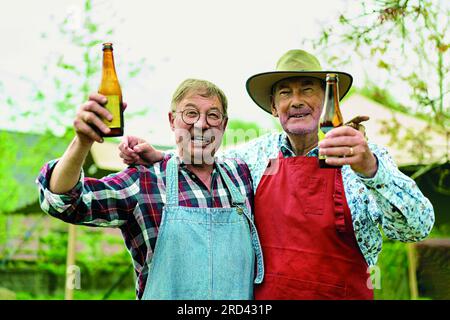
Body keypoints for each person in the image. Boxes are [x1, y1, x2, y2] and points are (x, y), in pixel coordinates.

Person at [118, 50, 435, 300]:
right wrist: (163, 158)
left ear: (326, 100)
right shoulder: (250, 158)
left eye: (307, 89)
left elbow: (416, 227)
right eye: (285, 93)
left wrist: (370, 170)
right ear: (273, 106)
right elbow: (204, 169)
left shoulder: (362, 156)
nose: (295, 100)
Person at [36, 78, 264, 300]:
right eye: (191, 113)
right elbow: (64, 202)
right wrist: (82, 142)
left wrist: (164, 156)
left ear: (224, 125)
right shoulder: (144, 182)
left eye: (213, 116)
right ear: (172, 120)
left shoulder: (242, 175)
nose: (201, 124)